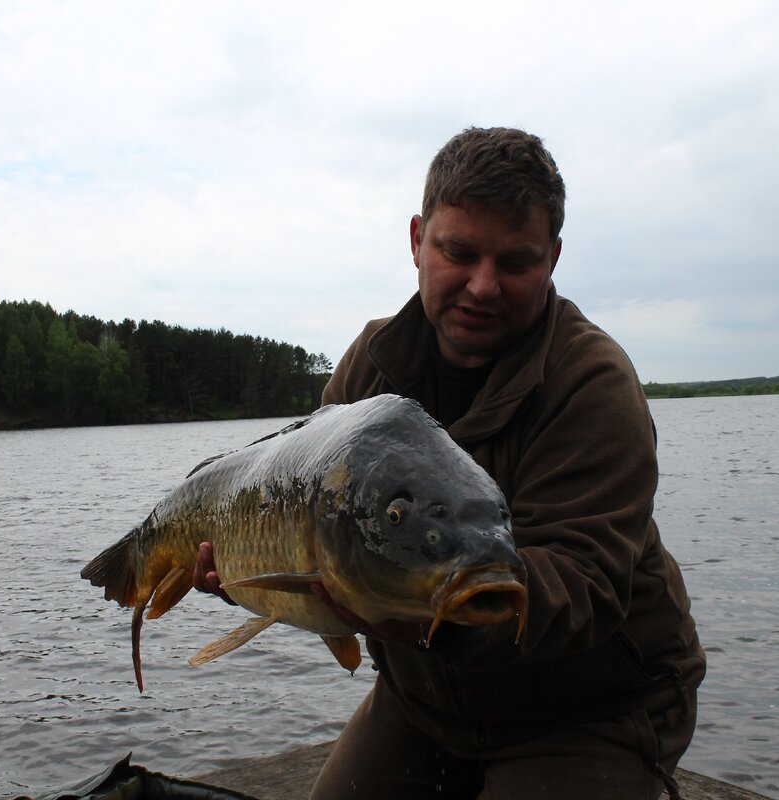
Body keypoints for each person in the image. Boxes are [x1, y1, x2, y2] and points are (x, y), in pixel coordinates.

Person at [195, 127, 704, 799]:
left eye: (515, 262)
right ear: (416, 239)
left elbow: (587, 583)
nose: (483, 286)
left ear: (552, 258)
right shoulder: (371, 364)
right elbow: (305, 512)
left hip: (588, 707)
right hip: (426, 703)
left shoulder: (592, 383)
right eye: (458, 252)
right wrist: (253, 573)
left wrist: (436, 612)